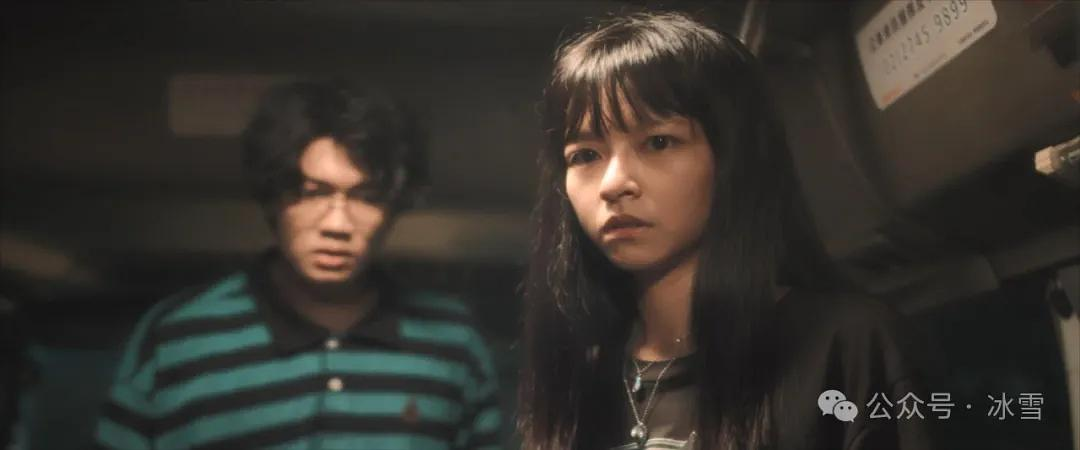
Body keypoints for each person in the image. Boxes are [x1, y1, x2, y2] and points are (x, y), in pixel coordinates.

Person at [517, 12, 937, 450]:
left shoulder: (847, 345)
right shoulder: (581, 370)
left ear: (733, 157)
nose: (613, 184)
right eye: (585, 155)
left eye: (658, 142)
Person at [94, 79, 502, 450]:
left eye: (367, 197)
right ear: (274, 198)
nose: (337, 224)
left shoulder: (453, 343)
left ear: (394, 208)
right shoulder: (177, 338)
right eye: (312, 192)